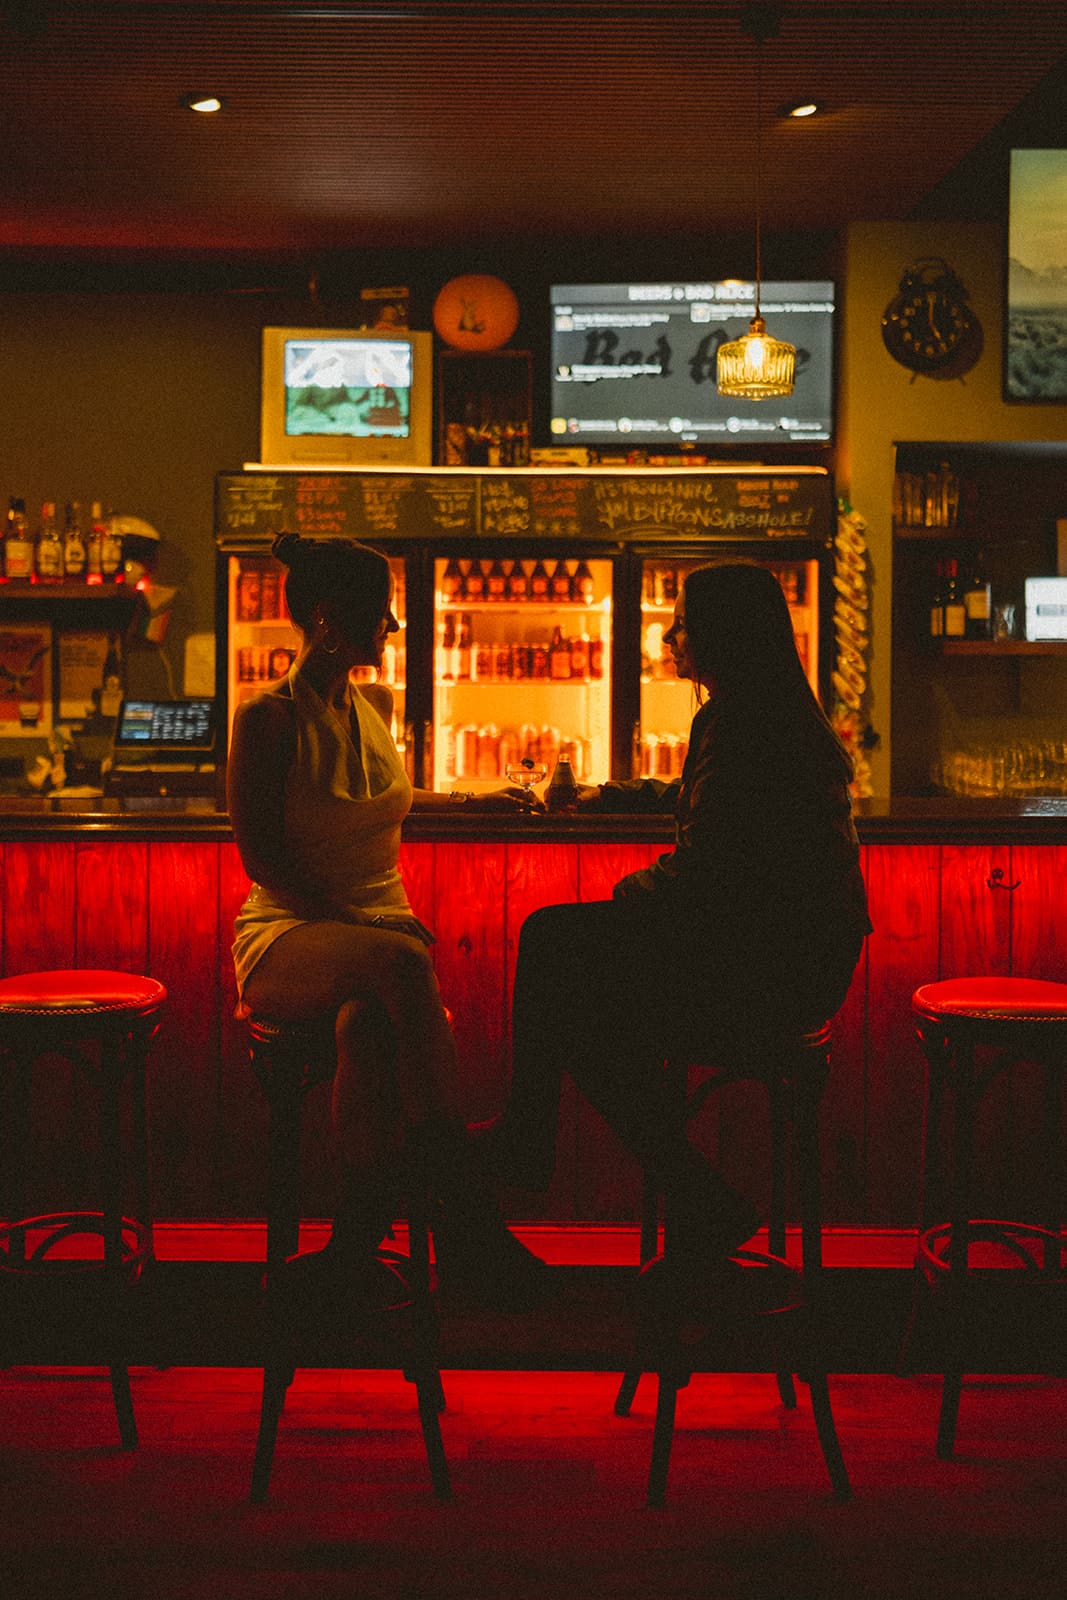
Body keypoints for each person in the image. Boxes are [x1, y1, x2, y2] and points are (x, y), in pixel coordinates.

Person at [480, 560, 872, 1290]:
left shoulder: (739, 717)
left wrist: (627, 891)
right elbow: (706, 800)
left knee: (551, 941)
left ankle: (533, 1144)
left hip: (770, 972)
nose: (668, 635)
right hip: (796, 959)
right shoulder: (766, 709)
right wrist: (609, 797)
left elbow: (706, 872)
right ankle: (690, 1196)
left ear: (722, 634)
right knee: (578, 1004)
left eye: (683, 621)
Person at [228, 530, 546, 1308]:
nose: (395, 627)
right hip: (290, 933)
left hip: (369, 936)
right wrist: (367, 934)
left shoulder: (373, 703)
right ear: (333, 619)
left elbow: (381, 801)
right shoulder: (265, 718)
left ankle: (352, 1245)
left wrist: (473, 800)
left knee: (364, 1030)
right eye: (383, 613)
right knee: (401, 966)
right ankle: (466, 1216)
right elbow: (262, 860)